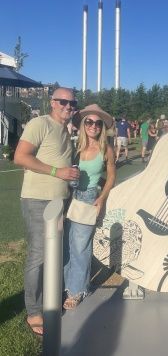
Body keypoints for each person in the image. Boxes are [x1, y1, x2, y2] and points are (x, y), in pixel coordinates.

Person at [14, 87, 80, 336]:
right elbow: (20, 157)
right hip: (37, 200)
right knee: (38, 255)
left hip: (59, 200)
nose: (68, 106)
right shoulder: (39, 123)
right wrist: (57, 172)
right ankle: (33, 311)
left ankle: (50, 300)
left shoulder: (64, 129)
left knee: (55, 254)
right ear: (52, 103)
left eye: (72, 103)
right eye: (63, 102)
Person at [63, 104, 116, 309]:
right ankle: (68, 285)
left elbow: (111, 176)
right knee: (67, 245)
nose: (93, 126)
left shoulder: (106, 148)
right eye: (89, 122)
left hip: (88, 199)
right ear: (83, 125)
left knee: (80, 247)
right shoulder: (75, 146)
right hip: (69, 197)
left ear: (102, 126)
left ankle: (76, 291)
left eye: (97, 123)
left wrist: (102, 198)